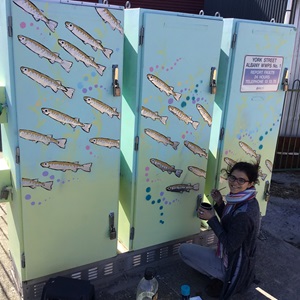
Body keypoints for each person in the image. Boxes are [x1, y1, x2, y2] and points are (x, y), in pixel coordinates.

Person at [179, 161, 261, 299]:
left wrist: (211, 219)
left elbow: (230, 245)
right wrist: (219, 203)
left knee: (183, 250)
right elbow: (232, 224)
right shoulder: (247, 199)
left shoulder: (244, 214)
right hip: (237, 260)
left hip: (233, 265)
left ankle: (222, 278)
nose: (235, 183)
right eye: (232, 178)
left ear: (251, 183)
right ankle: (217, 272)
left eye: (241, 180)